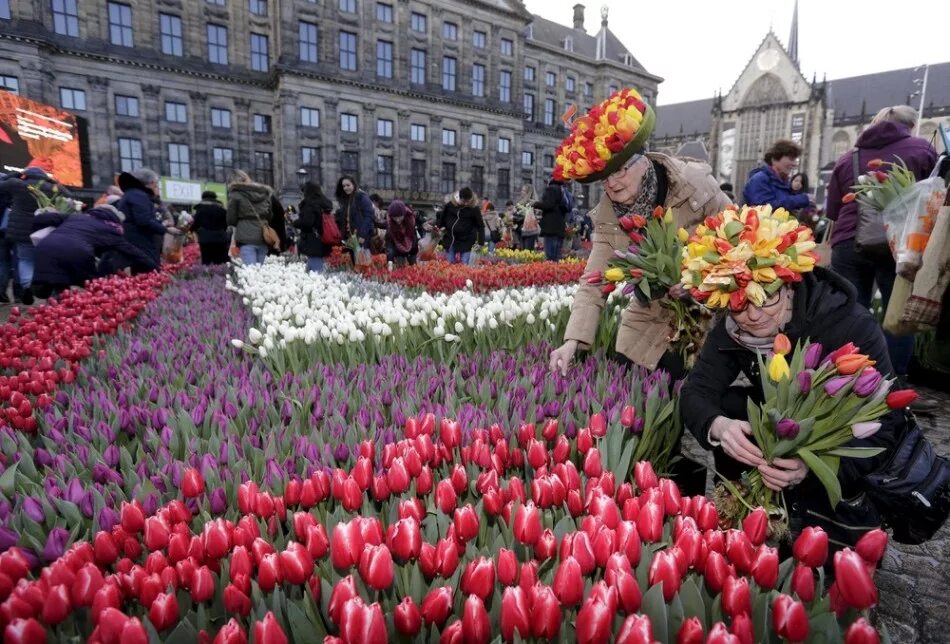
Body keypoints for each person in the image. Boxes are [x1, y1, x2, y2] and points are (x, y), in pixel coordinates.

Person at [679, 209, 901, 551]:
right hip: (777, 447)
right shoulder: (734, 327)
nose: (753, 315)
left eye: (766, 296)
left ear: (790, 281)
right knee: (731, 408)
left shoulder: (847, 324)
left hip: (834, 459)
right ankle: (749, 516)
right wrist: (719, 426)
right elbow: (696, 391)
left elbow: (887, 424)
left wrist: (811, 466)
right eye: (740, 304)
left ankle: (816, 534)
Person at [825, 105, 938, 412]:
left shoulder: (849, 156)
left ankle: (849, 382)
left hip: (849, 240)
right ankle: (893, 385)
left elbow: (833, 209)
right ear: (911, 125)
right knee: (896, 315)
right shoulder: (921, 149)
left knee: (850, 312)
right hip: (898, 243)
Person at [29, 205, 156, 299]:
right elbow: (132, 252)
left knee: (57, 281)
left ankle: (48, 296)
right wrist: (154, 267)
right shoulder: (111, 230)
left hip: (46, 246)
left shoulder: (76, 217)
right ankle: (82, 314)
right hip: (78, 251)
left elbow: (41, 219)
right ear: (115, 219)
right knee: (93, 287)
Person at [0, 160, 67, 304]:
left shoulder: (17, 184)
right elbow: (69, 195)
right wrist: (51, 180)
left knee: (25, 260)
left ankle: (28, 286)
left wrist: (15, 174)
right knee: (48, 260)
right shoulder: (51, 187)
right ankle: (51, 289)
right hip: (44, 231)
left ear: (26, 175)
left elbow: (1, 182)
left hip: (22, 232)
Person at [113, 169, 173, 275]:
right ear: (151, 183)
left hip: (134, 240)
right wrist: (166, 229)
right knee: (149, 272)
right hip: (140, 242)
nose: (157, 187)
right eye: (156, 184)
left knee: (140, 274)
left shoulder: (131, 193)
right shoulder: (138, 195)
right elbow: (143, 221)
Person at [742, 139, 814, 211]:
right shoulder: (759, 179)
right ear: (775, 159)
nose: (795, 164)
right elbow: (763, 209)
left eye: (795, 160)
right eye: (791, 159)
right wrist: (801, 199)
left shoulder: (785, 184)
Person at [226, 170, 274, 266]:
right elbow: (270, 215)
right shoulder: (264, 193)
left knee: (250, 273)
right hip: (263, 236)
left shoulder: (235, 194)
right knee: (260, 272)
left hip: (246, 237)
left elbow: (231, 219)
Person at [295, 180, 334, 272]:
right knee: (312, 269)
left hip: (312, 240)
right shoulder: (324, 203)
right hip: (323, 237)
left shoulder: (310, 204)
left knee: (316, 273)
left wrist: (295, 222)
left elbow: (307, 222)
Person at [438, 187, 483, 265]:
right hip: (451, 238)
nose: (466, 204)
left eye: (468, 201)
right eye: (464, 201)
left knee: (464, 265)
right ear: (459, 197)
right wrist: (437, 228)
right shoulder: (450, 205)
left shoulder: (474, 208)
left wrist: (480, 242)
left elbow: (480, 225)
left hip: (467, 240)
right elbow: (442, 219)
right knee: (449, 264)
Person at [334, 176, 375, 251]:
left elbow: (369, 216)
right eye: (344, 186)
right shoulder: (347, 200)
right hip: (349, 238)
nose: (346, 188)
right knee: (353, 261)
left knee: (362, 261)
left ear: (354, 184)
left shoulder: (361, 197)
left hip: (360, 237)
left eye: (348, 185)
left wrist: (362, 235)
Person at [192, 190, 229, 265]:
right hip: (221, 238)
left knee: (207, 262)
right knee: (221, 262)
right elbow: (226, 225)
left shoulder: (200, 209)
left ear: (203, 198)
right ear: (215, 198)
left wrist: (194, 231)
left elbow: (195, 224)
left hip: (206, 239)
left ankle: (208, 276)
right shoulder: (222, 210)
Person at [535, 179, 568, 261]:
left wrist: (535, 204)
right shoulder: (562, 190)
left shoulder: (551, 189)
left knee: (550, 257)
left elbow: (549, 204)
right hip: (559, 226)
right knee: (556, 257)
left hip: (551, 227)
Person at [385, 200, 418, 267]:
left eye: (400, 217)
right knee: (400, 271)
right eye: (394, 217)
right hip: (398, 254)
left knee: (413, 271)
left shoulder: (411, 221)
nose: (397, 220)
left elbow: (414, 240)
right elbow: (389, 244)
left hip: (411, 252)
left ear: (404, 214)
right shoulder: (390, 225)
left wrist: (413, 256)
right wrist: (390, 260)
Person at [514, 184, 539, 252]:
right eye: (522, 190)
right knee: (522, 252)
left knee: (527, 252)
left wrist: (516, 215)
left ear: (528, 193)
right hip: (520, 230)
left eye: (523, 190)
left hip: (529, 231)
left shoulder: (532, 203)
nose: (521, 192)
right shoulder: (520, 202)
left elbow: (535, 216)